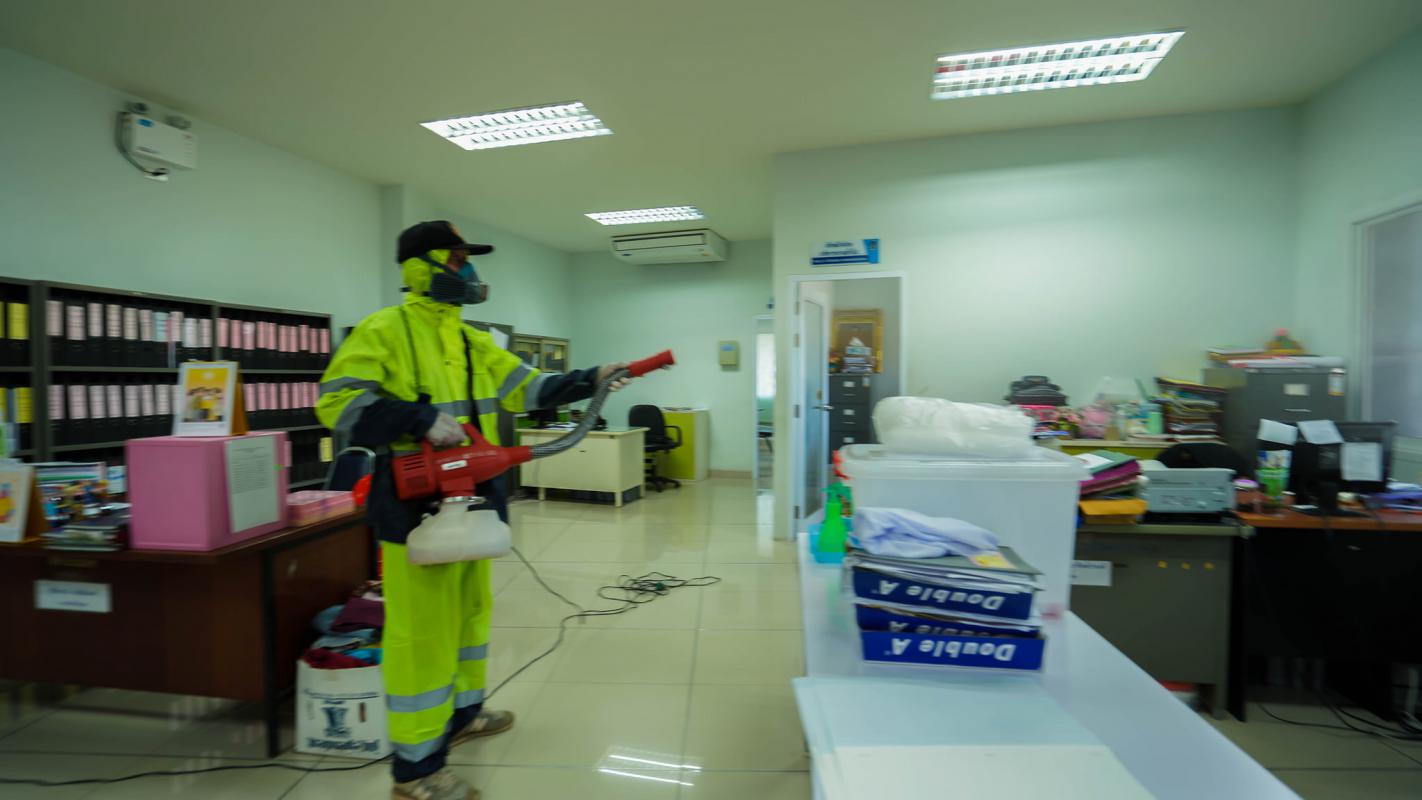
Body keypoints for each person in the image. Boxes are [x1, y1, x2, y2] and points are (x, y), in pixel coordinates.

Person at [317, 220, 633, 800]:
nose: (468, 271)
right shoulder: (384, 330)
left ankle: (463, 717)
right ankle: (415, 768)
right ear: (422, 266)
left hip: (474, 499)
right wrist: (417, 418)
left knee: (470, 617)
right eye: (458, 258)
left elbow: (530, 389)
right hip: (413, 506)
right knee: (422, 634)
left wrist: (594, 378)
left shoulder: (471, 340)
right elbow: (336, 403)